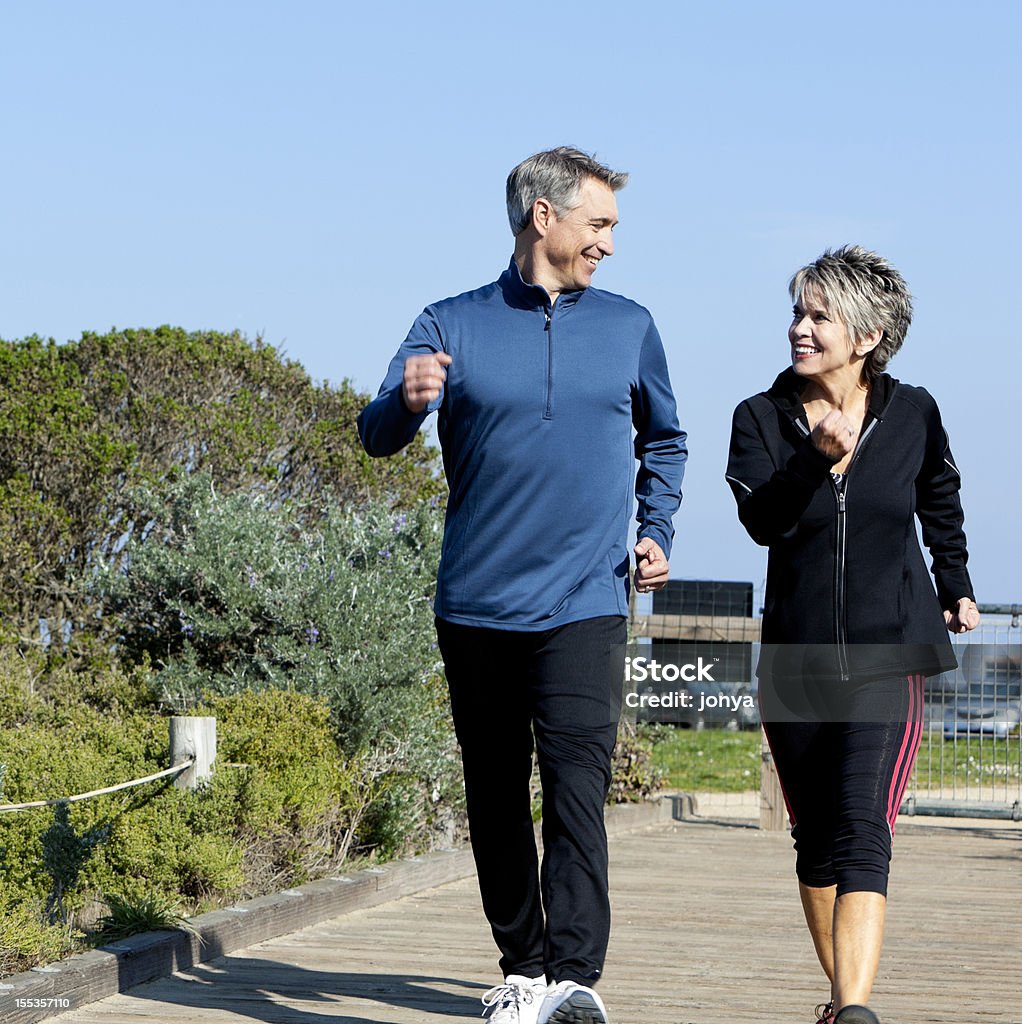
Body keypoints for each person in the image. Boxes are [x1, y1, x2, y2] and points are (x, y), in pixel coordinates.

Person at [357, 147, 687, 1024]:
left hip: (585, 600)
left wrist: (654, 532)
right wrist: (409, 400)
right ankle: (524, 970)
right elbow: (376, 433)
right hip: (476, 605)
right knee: (496, 795)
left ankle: (576, 979)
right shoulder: (448, 322)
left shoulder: (630, 325)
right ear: (544, 217)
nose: (609, 244)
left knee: (577, 787)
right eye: (600, 224)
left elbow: (665, 441)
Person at [725, 245, 979, 1024]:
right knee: (818, 842)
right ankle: (844, 1001)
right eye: (797, 311)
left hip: (888, 649)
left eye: (817, 315)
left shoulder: (914, 412)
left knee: (867, 827)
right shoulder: (758, 418)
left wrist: (955, 580)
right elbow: (762, 522)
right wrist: (813, 459)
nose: (798, 328)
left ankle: (855, 1010)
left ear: (865, 336)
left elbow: (939, 493)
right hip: (796, 660)